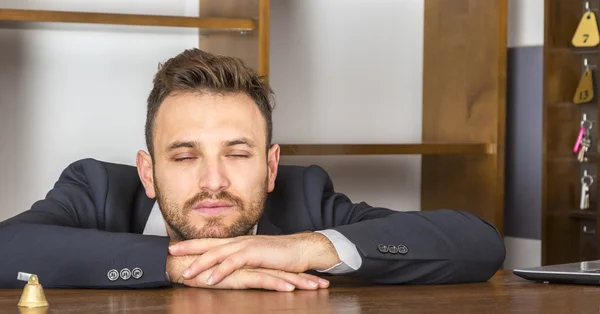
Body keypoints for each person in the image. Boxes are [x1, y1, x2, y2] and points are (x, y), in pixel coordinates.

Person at [0, 48, 505, 291]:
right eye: (185, 155)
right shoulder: (96, 189)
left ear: (270, 166)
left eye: (238, 153)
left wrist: (302, 247)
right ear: (147, 172)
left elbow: (479, 244)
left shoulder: (305, 197)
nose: (213, 180)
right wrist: (180, 264)